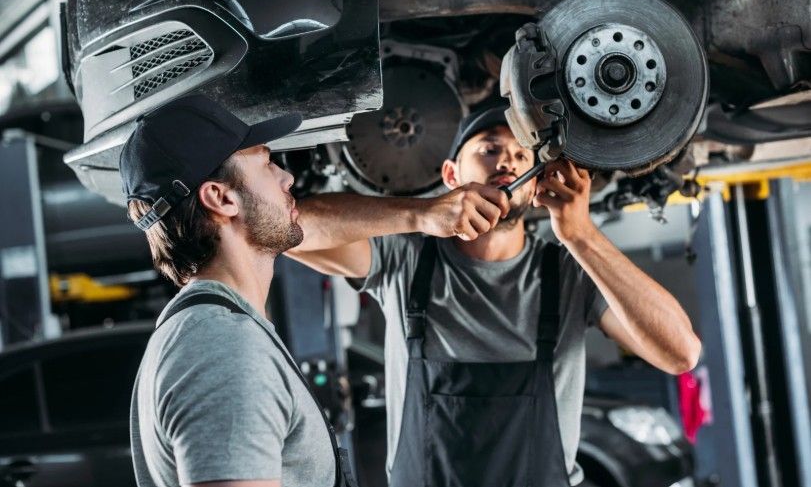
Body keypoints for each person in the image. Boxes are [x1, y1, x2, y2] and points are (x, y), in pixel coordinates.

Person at [286, 104, 701, 486]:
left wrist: (582, 235)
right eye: (488, 149)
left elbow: (680, 353)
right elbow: (287, 228)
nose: (507, 161)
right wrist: (420, 213)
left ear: (535, 183)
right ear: (451, 175)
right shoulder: (406, 260)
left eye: (523, 156)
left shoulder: (569, 275)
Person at [122, 95, 358, 487]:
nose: (287, 177)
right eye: (266, 163)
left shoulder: (211, 330)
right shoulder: (221, 348)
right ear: (221, 198)